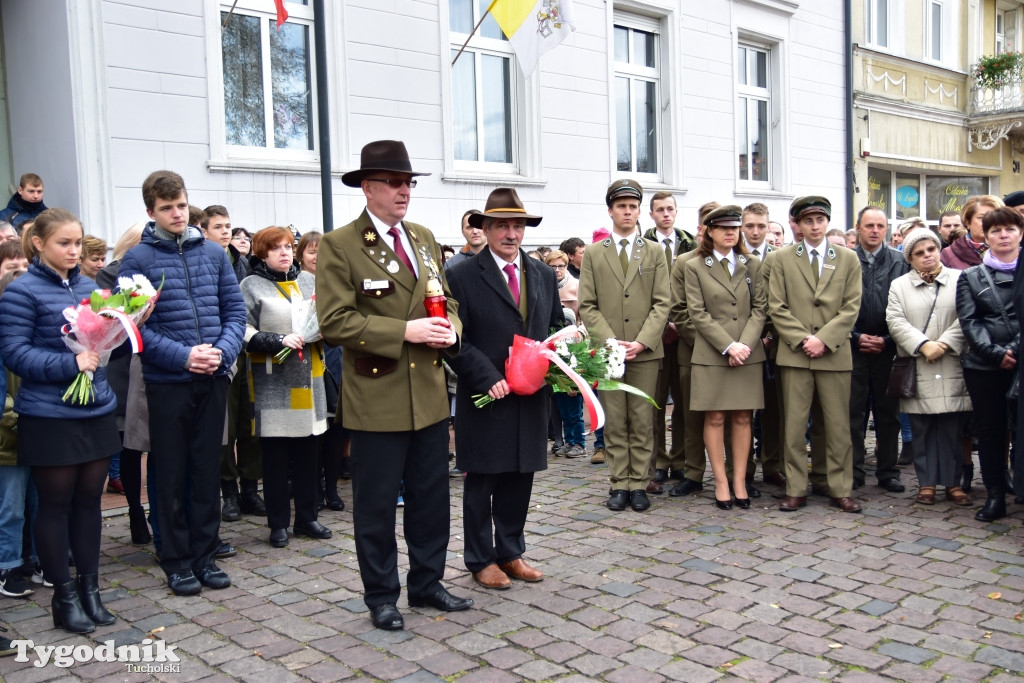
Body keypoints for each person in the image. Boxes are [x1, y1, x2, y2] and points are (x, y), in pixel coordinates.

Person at [317, 140, 471, 631]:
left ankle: (427, 582)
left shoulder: (423, 237)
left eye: (409, 183)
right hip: (377, 396)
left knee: (431, 500)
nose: (405, 191)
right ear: (368, 188)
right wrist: (403, 331)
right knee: (377, 507)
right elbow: (335, 321)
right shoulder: (341, 245)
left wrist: (452, 328)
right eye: (394, 183)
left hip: (426, 394)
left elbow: (444, 299)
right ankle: (381, 595)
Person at [118, 171, 246, 596]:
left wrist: (222, 353)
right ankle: (174, 559)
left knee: (206, 468)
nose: (176, 214)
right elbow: (133, 329)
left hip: (211, 377)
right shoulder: (137, 261)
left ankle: (205, 554)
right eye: (166, 208)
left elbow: (235, 312)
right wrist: (184, 356)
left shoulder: (213, 253)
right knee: (170, 471)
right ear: (151, 211)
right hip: (167, 380)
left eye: (180, 205)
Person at [0, 209, 127, 633]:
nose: (74, 251)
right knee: (55, 506)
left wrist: (117, 336)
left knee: (89, 503)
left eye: (78, 243)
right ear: (39, 244)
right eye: (64, 243)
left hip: (95, 408)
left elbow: (103, 343)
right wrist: (70, 362)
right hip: (50, 414)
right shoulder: (21, 292)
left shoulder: (91, 286)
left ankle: (90, 590)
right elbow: (15, 353)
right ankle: (63, 595)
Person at [446, 188, 563, 589]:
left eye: (518, 226)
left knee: (520, 475)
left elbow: (553, 327)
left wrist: (567, 354)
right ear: (486, 229)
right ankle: (480, 559)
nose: (511, 234)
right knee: (483, 478)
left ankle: (510, 551)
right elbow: (451, 337)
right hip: (487, 394)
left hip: (530, 395)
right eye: (502, 226)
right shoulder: (460, 274)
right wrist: (483, 375)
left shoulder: (543, 273)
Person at [578, 179, 670, 512]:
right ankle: (619, 483)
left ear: (639, 211)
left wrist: (643, 341)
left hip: (645, 352)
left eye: (632, 206)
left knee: (643, 419)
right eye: (621, 206)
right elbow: (587, 304)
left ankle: (640, 483)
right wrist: (611, 341)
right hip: (608, 351)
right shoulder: (593, 253)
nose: (627, 212)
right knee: (615, 419)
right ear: (611, 210)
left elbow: (663, 302)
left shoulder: (655, 251)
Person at [768, 196, 863, 513]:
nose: (814, 226)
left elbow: (851, 307)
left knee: (836, 425)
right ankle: (796, 488)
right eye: (807, 220)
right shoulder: (782, 258)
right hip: (795, 354)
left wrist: (824, 339)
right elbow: (776, 306)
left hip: (834, 353)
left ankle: (837, 485)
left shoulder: (847, 258)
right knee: (794, 426)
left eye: (820, 220)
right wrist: (802, 338)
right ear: (797, 224)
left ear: (827, 222)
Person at [240, 227, 331, 547]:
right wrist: (275, 340)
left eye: (288, 247)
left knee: (309, 455)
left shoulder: (307, 281)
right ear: (261, 253)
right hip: (274, 381)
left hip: (309, 377)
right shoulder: (250, 286)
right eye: (276, 248)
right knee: (276, 458)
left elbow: (325, 319)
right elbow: (243, 330)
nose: (284, 252)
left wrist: (322, 332)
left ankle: (307, 518)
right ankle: (278, 523)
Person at [684, 206, 766, 509]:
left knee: (744, 417)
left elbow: (760, 309)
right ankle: (720, 480)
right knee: (715, 417)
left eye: (735, 228)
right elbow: (697, 313)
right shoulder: (695, 266)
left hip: (748, 351)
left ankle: (740, 480)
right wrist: (728, 346)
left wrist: (743, 345)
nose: (731, 233)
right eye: (723, 228)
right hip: (713, 353)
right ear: (709, 232)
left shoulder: (752, 264)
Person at [887, 228, 971, 506]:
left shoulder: (960, 279)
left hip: (951, 363)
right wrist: (923, 345)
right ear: (910, 258)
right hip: (918, 365)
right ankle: (926, 484)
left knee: (951, 428)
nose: (927, 256)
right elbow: (896, 321)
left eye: (931, 250)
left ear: (938, 250)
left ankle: (953, 483)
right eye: (919, 253)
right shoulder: (899, 285)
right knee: (921, 429)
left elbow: (967, 316)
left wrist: (944, 344)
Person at [956, 207, 1021, 521]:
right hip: (983, 366)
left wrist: (1015, 349)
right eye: (996, 230)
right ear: (987, 236)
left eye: (1009, 229)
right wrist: (996, 353)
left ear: (1020, 233)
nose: (1003, 235)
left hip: (1021, 362)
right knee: (991, 431)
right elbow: (970, 322)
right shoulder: (971, 276)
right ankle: (995, 495)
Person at [849, 207, 910, 492]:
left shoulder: (900, 261)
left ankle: (888, 471)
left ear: (886, 229)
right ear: (858, 227)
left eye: (880, 226)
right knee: (854, 412)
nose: (875, 230)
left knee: (888, 414)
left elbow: (908, 307)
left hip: (888, 348)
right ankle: (854, 470)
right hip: (852, 346)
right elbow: (835, 305)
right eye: (869, 225)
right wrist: (854, 336)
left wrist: (887, 339)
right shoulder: (846, 261)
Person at [668, 202, 721, 497]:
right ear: (702, 228)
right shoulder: (684, 262)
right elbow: (679, 310)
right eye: (709, 224)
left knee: (732, 415)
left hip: (733, 353)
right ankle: (692, 472)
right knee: (691, 415)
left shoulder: (741, 260)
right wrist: (706, 343)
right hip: (694, 350)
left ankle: (736, 473)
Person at [643, 192, 696, 489]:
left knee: (685, 402)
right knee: (655, 404)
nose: (666, 214)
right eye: (660, 210)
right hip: (653, 336)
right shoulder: (644, 244)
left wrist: (680, 324)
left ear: (676, 211)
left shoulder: (691, 243)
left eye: (670, 209)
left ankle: (680, 459)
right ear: (651, 214)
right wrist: (660, 326)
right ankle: (659, 461)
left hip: (685, 334)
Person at [736, 202, 783, 489]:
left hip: (774, 342)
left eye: (761, 226)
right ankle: (744, 470)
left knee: (774, 408)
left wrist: (771, 336)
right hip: (742, 344)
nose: (755, 232)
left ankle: (773, 465)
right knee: (742, 410)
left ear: (769, 227)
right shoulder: (733, 257)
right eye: (750, 225)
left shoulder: (781, 257)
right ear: (742, 226)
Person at [544, 249, 586, 458]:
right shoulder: (543, 284)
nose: (558, 270)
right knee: (558, 400)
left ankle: (577, 441)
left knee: (573, 403)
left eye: (561, 266)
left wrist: (579, 334)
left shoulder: (577, 286)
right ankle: (563, 440)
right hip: (551, 349)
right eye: (553, 267)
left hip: (573, 348)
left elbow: (586, 317)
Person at [942, 195, 1003, 269]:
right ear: (968, 222)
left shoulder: (1012, 251)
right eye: (981, 218)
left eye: (995, 218)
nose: (989, 222)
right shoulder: (949, 254)